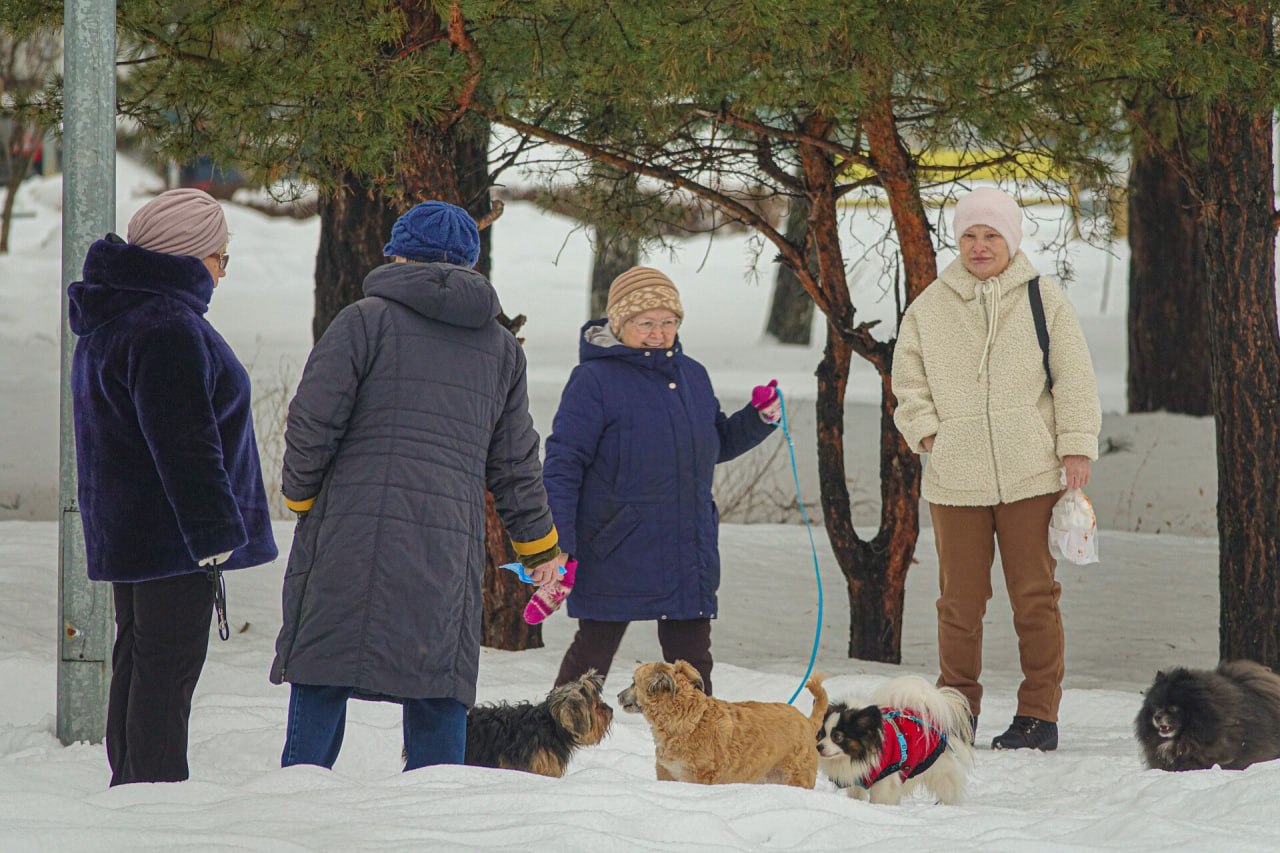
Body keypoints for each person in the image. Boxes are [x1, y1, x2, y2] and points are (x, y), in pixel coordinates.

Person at [269, 200, 566, 771]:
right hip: (447, 542)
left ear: (399, 254)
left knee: (325, 669)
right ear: (472, 264)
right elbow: (515, 463)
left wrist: (302, 495)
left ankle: (299, 803)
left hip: (351, 532)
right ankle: (435, 809)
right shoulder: (501, 348)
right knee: (438, 684)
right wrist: (540, 547)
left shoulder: (363, 320)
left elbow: (312, 420)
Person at [68, 187, 278, 785]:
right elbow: (185, 443)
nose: (222, 269)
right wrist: (212, 534)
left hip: (131, 529)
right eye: (219, 255)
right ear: (187, 255)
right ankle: (153, 803)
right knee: (165, 671)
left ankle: (131, 787)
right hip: (173, 536)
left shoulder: (120, 313)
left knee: (140, 660)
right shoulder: (166, 324)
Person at [891, 187, 1101, 751]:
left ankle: (1038, 714)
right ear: (956, 240)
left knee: (1035, 595)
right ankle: (957, 710)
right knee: (959, 602)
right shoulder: (930, 306)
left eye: (991, 236)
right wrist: (929, 432)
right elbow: (907, 381)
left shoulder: (1044, 298)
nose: (980, 246)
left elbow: (1074, 377)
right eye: (969, 236)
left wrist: (1075, 445)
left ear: (1010, 239)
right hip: (955, 480)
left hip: (1031, 474)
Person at [544, 266, 782, 696]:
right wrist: (561, 543)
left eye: (668, 322)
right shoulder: (594, 381)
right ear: (620, 325)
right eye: (646, 323)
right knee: (592, 656)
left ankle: (704, 754)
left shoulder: (693, 375)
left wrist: (758, 419)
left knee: (693, 665)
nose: (658, 333)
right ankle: (547, 742)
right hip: (615, 544)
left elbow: (713, 444)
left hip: (684, 546)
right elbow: (563, 462)